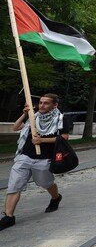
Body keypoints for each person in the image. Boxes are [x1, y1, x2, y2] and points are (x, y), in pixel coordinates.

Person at [0, 94, 68, 231]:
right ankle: (8, 216)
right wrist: (25, 114)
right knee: (14, 185)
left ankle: (56, 197)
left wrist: (42, 140)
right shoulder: (33, 116)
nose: (42, 105)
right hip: (24, 156)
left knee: (45, 183)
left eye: (46, 103)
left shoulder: (60, 119)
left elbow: (64, 138)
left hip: (44, 158)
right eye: (41, 102)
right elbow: (16, 127)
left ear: (54, 105)